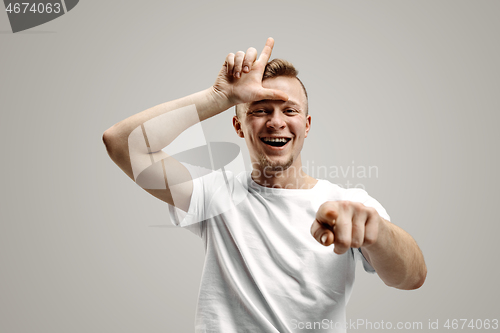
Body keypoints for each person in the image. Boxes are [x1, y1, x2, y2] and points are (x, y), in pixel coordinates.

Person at [102, 38, 427, 333]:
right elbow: (120, 142)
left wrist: (377, 232)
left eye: (290, 110)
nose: (276, 121)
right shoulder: (212, 195)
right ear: (238, 125)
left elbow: (412, 277)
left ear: (307, 125)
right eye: (260, 110)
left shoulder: (348, 203)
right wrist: (218, 97)